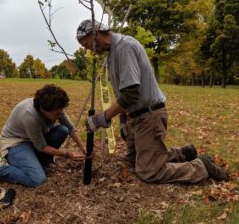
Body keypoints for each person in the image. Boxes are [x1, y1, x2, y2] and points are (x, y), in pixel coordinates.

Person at [76, 19, 229, 183]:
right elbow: (125, 93)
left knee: (149, 171)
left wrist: (103, 117)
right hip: (136, 116)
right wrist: (123, 120)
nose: (90, 50)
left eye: (88, 45)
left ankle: (202, 166)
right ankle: (184, 154)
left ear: (96, 34)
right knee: (133, 161)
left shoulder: (124, 48)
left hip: (149, 116)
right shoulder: (112, 53)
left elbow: (131, 95)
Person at [0, 84, 86, 187]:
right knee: (37, 179)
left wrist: (83, 147)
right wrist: (67, 154)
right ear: (43, 109)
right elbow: (42, 146)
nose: (60, 114)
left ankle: (43, 162)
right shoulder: (30, 116)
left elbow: (70, 128)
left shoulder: (55, 107)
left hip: (33, 140)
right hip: (16, 143)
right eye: (57, 113)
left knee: (62, 130)